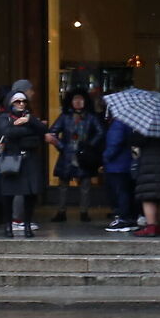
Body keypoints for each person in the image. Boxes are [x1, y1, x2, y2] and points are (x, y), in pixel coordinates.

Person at [0, 87, 49, 238]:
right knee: (8, 195)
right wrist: (29, 130)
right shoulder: (4, 117)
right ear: (11, 103)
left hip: (29, 160)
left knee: (30, 195)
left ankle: (27, 226)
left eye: (23, 101)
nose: (21, 104)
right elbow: (7, 132)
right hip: (11, 159)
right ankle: (8, 226)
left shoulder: (29, 117)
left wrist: (28, 121)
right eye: (17, 101)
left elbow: (43, 130)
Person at [50, 89, 103, 225]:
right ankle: (61, 211)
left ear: (85, 101)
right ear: (70, 101)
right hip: (67, 155)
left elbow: (100, 133)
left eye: (81, 99)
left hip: (84, 155)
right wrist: (62, 147)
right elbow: (53, 133)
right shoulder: (65, 116)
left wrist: (89, 145)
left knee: (85, 185)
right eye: (75, 99)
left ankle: (84, 212)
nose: (78, 102)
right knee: (63, 185)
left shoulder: (91, 117)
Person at [99, 109, 137, 233]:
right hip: (125, 163)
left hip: (117, 165)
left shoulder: (118, 124)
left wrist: (105, 158)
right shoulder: (129, 122)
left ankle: (123, 218)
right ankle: (130, 218)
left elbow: (114, 143)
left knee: (119, 192)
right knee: (126, 191)